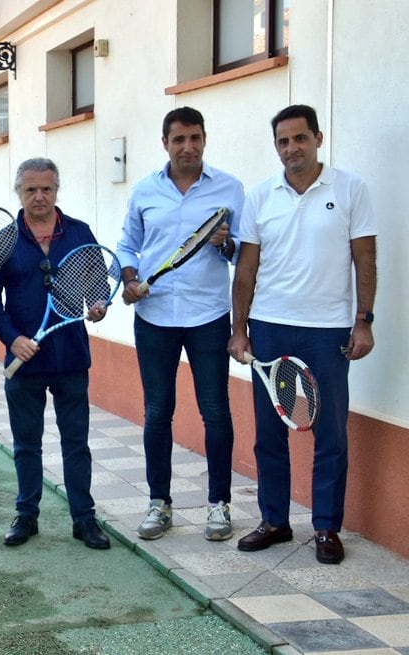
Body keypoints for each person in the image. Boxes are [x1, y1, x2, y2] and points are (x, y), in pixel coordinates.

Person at [228, 104, 377, 565]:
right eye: (283, 141)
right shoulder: (260, 196)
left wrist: (363, 320)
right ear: (276, 147)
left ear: (318, 138)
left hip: (328, 330)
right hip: (270, 328)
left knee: (330, 433)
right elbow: (246, 268)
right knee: (269, 432)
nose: (292, 148)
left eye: (299, 138)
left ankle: (326, 527)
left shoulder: (351, 189)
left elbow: (365, 261)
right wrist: (239, 330)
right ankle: (274, 520)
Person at [116, 107, 244, 542]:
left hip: (208, 315)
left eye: (195, 138)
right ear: (165, 143)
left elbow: (244, 253)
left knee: (215, 412)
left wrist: (226, 246)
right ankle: (159, 503)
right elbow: (128, 244)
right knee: (157, 412)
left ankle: (219, 506)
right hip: (154, 317)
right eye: (178, 139)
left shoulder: (229, 189)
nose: (187, 146)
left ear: (205, 139)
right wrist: (129, 279)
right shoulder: (145, 191)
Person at [0, 158, 111, 551]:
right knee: (26, 443)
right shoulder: (3, 240)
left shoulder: (80, 232)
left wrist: (100, 303)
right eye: (31, 189)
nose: (39, 196)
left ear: (57, 190)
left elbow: (98, 285)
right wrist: (12, 338)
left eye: (47, 189)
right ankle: (27, 516)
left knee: (76, 442)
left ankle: (84, 519)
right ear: (19, 192)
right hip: (24, 360)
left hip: (71, 356)